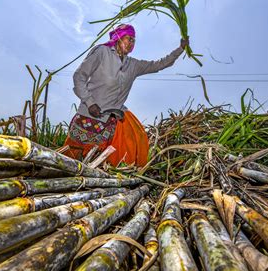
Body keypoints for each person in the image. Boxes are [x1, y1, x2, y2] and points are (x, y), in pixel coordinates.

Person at [64, 23, 189, 167]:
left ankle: (123, 173)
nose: (131, 43)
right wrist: (90, 102)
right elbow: (79, 76)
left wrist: (180, 49)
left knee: (135, 137)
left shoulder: (133, 65)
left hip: (111, 119)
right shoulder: (102, 52)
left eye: (134, 41)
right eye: (129, 39)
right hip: (89, 115)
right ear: (118, 37)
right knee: (74, 159)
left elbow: (159, 64)